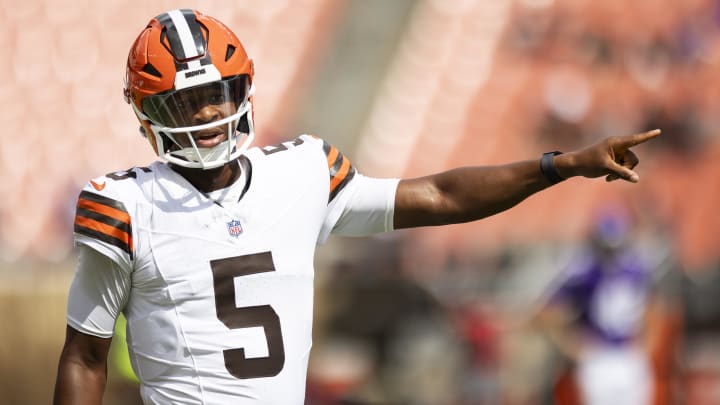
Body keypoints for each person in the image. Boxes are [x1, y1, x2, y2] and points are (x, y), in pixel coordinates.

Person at [52, 8, 661, 405]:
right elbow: (85, 353)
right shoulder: (125, 206)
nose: (207, 116)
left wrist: (560, 164)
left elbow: (442, 195)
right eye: (184, 104)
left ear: (242, 90)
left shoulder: (300, 172)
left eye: (215, 96)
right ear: (148, 114)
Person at [537, 207, 659, 405]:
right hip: (598, 357)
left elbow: (655, 306)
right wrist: (571, 345)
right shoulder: (585, 271)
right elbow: (548, 312)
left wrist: (647, 344)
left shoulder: (636, 269)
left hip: (629, 354)